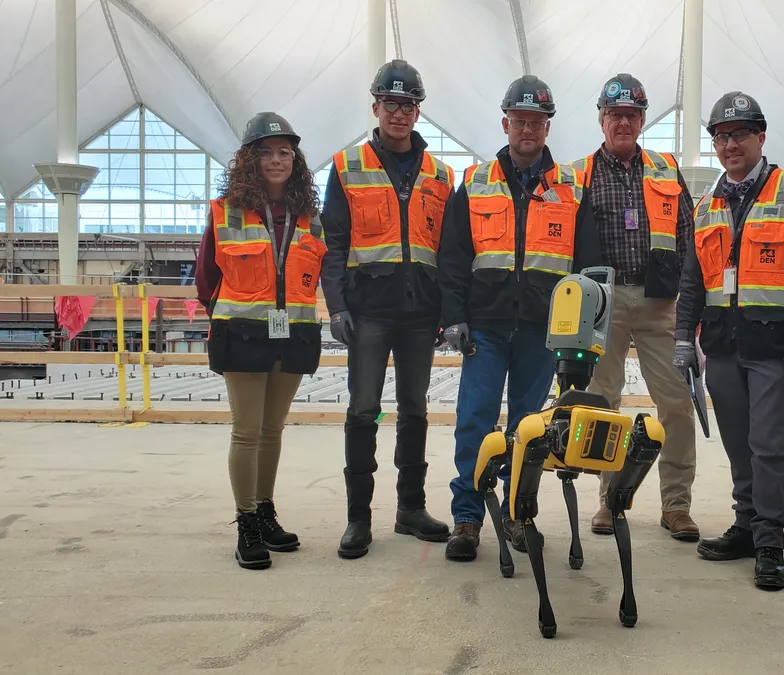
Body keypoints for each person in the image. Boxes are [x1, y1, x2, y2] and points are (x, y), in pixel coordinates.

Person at [673, 92, 784, 590]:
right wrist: (683, 336)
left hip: (776, 347)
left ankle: (769, 542)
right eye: (721, 137)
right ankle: (745, 525)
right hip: (723, 348)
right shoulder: (707, 205)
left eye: (740, 134)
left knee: (769, 446)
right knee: (739, 445)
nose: (730, 144)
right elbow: (693, 280)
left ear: (761, 137)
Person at [438, 75, 603, 562]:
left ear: (547, 127)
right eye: (520, 121)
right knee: (475, 420)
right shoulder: (474, 183)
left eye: (537, 122)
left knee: (529, 428)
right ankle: (467, 517)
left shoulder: (572, 188)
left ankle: (515, 512)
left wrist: (580, 338)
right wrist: (453, 315)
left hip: (540, 332)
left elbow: (586, 269)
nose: (527, 130)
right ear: (505, 123)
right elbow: (452, 257)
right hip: (484, 327)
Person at [320, 59, 456, 560]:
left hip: (421, 313)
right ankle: (359, 518)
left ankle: (410, 509)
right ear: (375, 107)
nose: (399, 113)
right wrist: (336, 307)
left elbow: (448, 250)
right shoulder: (347, 166)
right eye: (391, 104)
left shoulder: (441, 174)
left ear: (418, 111)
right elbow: (333, 243)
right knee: (362, 411)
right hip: (369, 312)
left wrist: (448, 310)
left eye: (409, 105)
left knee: (415, 411)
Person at [195, 112, 327, 570]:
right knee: (247, 430)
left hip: (295, 333)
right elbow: (205, 277)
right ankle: (246, 520)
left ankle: (266, 511)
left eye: (284, 152)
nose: (276, 160)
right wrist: (234, 317)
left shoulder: (309, 216)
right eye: (266, 152)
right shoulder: (225, 211)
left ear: (296, 159)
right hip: (242, 333)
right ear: (249, 160)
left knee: (273, 429)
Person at [572, 73, 699, 543]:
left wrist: (688, 302)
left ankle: (676, 506)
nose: (623, 122)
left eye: (631, 115)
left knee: (677, 404)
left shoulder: (667, 170)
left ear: (642, 120)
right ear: (602, 120)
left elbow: (687, 237)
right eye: (614, 114)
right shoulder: (579, 174)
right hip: (602, 304)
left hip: (658, 301)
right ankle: (609, 502)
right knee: (604, 404)